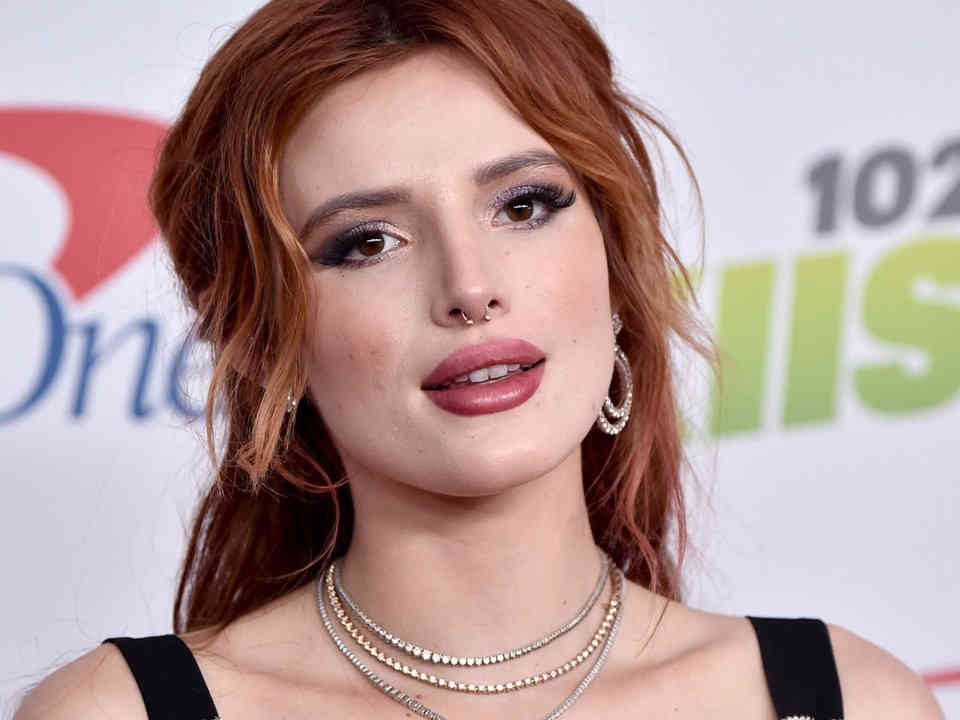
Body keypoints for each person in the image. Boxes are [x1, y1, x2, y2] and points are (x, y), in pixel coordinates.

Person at [15, 1, 944, 718]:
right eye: (367, 243)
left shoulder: (849, 700)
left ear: (617, 262)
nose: (470, 287)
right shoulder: (116, 712)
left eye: (524, 205)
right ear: (264, 340)